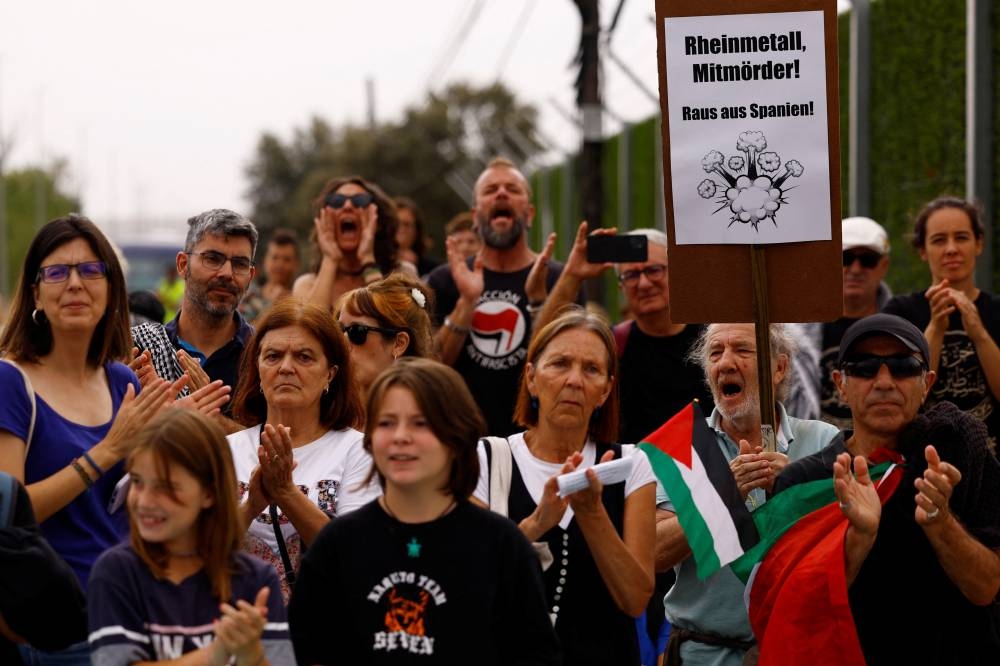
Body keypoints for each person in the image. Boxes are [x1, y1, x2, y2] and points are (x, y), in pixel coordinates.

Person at [0, 215, 189, 665]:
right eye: (57, 272)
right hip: (53, 628)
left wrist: (178, 444)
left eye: (91, 270)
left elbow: (140, 504)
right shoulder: (10, 380)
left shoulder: (121, 380)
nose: (75, 284)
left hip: (131, 614)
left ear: (111, 290)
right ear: (35, 294)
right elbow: (9, 514)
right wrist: (105, 452)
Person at [289, 357, 560, 665]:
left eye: (421, 423)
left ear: (456, 436)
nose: (400, 436)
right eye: (386, 423)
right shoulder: (338, 544)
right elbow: (307, 653)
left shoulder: (502, 546)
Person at [771, 313, 1000, 664]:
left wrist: (941, 523)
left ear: (927, 383)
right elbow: (793, 612)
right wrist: (857, 541)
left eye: (903, 366)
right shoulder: (804, 483)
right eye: (863, 367)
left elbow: (986, 587)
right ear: (840, 384)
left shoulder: (957, 457)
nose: (883, 381)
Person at [473, 307, 656, 665]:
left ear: (606, 390)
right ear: (531, 378)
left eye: (591, 369)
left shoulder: (631, 464)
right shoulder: (487, 458)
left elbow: (635, 597)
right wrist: (535, 524)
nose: (574, 380)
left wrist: (591, 513)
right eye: (559, 364)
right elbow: (471, 579)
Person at [655, 322, 838, 666]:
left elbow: (844, 545)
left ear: (779, 368)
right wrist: (722, 496)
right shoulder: (681, 446)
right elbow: (654, 552)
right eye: (715, 353)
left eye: (741, 350)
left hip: (797, 653)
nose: (726, 362)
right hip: (701, 655)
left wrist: (797, 487)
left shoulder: (823, 441)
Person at [87, 409, 294, 665]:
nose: (145, 501)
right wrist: (214, 654)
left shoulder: (256, 579)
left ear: (208, 493)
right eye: (138, 482)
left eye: (166, 487)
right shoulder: (117, 571)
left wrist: (250, 654)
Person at [228, 298, 376, 602]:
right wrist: (251, 506)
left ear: (330, 375)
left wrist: (285, 492)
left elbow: (353, 556)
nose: (286, 367)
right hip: (238, 628)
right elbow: (199, 553)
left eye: (304, 357)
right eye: (273, 356)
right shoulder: (226, 451)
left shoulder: (358, 452)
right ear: (257, 368)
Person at [426, 157, 581, 436]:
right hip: (461, 445)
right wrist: (467, 301)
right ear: (475, 217)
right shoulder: (444, 280)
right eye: (490, 190)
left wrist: (541, 301)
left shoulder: (558, 280)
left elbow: (565, 366)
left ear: (530, 214)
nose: (501, 193)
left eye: (512, 188)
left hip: (534, 444)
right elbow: (428, 370)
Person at [534, 223, 713, 443]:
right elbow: (545, 344)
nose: (644, 283)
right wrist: (572, 274)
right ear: (621, 287)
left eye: (653, 270)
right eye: (631, 275)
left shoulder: (713, 341)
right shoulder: (612, 345)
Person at [882, 196, 1000, 452]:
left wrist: (979, 334)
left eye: (961, 237)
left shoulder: (996, 310)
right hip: (921, 463)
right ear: (922, 251)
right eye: (938, 240)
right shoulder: (901, 312)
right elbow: (906, 399)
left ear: (978, 244)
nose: (951, 249)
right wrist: (935, 328)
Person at [131, 208, 259, 430]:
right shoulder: (141, 349)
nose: (227, 273)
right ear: (182, 265)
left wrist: (211, 420)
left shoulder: (262, 354)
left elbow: (280, 448)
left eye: (239, 264)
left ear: (250, 276)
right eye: (213, 259)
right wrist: (156, 413)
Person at [801, 216, 893, 430]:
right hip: (814, 453)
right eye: (845, 258)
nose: (855, 268)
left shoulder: (903, 326)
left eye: (868, 260)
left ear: (884, 266)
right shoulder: (795, 332)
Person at [293, 176, 416, 311]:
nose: (347, 206)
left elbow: (393, 322)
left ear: (378, 222)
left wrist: (367, 259)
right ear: (324, 219)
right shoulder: (306, 285)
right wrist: (330, 259)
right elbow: (309, 329)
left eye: (360, 201)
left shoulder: (403, 275)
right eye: (337, 202)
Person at [335, 272, 436, 399]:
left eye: (357, 331)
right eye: (339, 330)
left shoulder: (427, 413)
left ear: (399, 343)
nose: (343, 341)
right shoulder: (325, 411)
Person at [241, 228, 300, 323]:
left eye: (287, 259)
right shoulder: (248, 295)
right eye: (275, 257)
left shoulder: (301, 300)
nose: (280, 265)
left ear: (296, 264)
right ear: (265, 260)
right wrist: (273, 306)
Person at [394, 196, 439, 276]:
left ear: (416, 230)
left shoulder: (432, 269)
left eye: (406, 224)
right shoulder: (374, 260)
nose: (400, 229)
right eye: (396, 223)